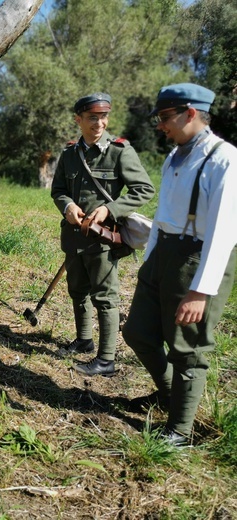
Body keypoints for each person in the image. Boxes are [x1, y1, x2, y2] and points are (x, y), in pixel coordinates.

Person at [122, 83, 237, 446]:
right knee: (137, 332)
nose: (160, 125)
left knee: (187, 349)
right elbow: (163, 215)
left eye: (165, 117)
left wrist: (200, 290)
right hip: (164, 254)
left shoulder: (225, 158)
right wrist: (149, 259)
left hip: (198, 258)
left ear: (191, 114)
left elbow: (224, 232)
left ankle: (179, 430)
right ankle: (169, 393)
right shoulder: (175, 156)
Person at [51, 93, 155, 376]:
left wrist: (110, 209)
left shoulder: (120, 151)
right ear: (78, 120)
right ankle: (84, 341)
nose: (99, 123)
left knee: (105, 298)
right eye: (92, 118)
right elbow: (58, 189)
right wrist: (67, 205)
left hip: (103, 238)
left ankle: (106, 360)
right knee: (77, 291)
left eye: (103, 117)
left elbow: (144, 189)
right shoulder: (69, 154)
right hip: (74, 235)